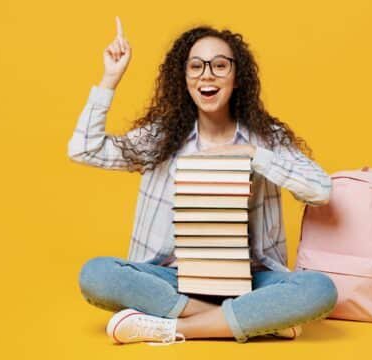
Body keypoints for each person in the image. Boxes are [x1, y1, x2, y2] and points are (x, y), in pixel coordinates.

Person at [68, 16, 338, 346]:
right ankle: (250, 319)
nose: (207, 74)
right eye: (196, 66)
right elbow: (84, 149)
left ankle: (172, 327)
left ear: (237, 77)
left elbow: (321, 189)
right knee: (95, 274)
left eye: (219, 65)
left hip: (250, 281)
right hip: (173, 279)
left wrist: (254, 154)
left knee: (319, 290)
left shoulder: (266, 139)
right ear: (184, 79)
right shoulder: (162, 138)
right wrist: (110, 79)